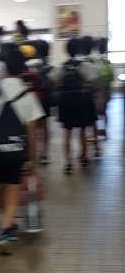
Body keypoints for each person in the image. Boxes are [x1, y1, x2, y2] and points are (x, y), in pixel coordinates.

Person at [0, 49, 44, 254]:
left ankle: (6, 223)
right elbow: (32, 130)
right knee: (13, 188)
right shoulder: (27, 94)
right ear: (23, 69)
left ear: (5, 67)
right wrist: (32, 159)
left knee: (1, 187)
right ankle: (5, 230)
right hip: (16, 150)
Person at [57, 38, 97, 173]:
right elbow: (92, 81)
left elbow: (55, 81)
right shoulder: (84, 65)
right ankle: (84, 157)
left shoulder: (62, 67)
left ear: (66, 50)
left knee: (67, 132)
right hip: (81, 102)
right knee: (82, 131)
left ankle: (68, 163)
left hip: (66, 104)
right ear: (79, 49)